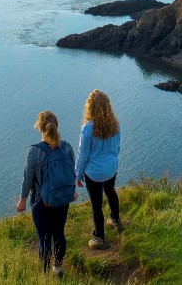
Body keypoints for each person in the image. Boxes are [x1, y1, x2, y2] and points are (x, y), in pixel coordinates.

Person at [17, 110, 77, 277]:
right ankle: (57, 268)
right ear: (56, 126)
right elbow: (72, 171)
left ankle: (44, 275)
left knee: (44, 240)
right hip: (62, 200)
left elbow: (28, 179)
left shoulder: (34, 151)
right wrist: (72, 191)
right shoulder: (66, 146)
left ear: (40, 128)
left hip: (41, 201)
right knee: (59, 233)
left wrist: (22, 200)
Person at [75, 89, 123, 250]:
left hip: (94, 172)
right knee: (110, 191)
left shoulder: (88, 128)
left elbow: (83, 155)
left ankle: (99, 238)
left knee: (96, 204)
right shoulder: (115, 124)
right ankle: (116, 220)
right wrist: (112, 161)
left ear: (90, 107)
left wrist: (78, 174)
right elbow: (117, 147)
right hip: (111, 168)